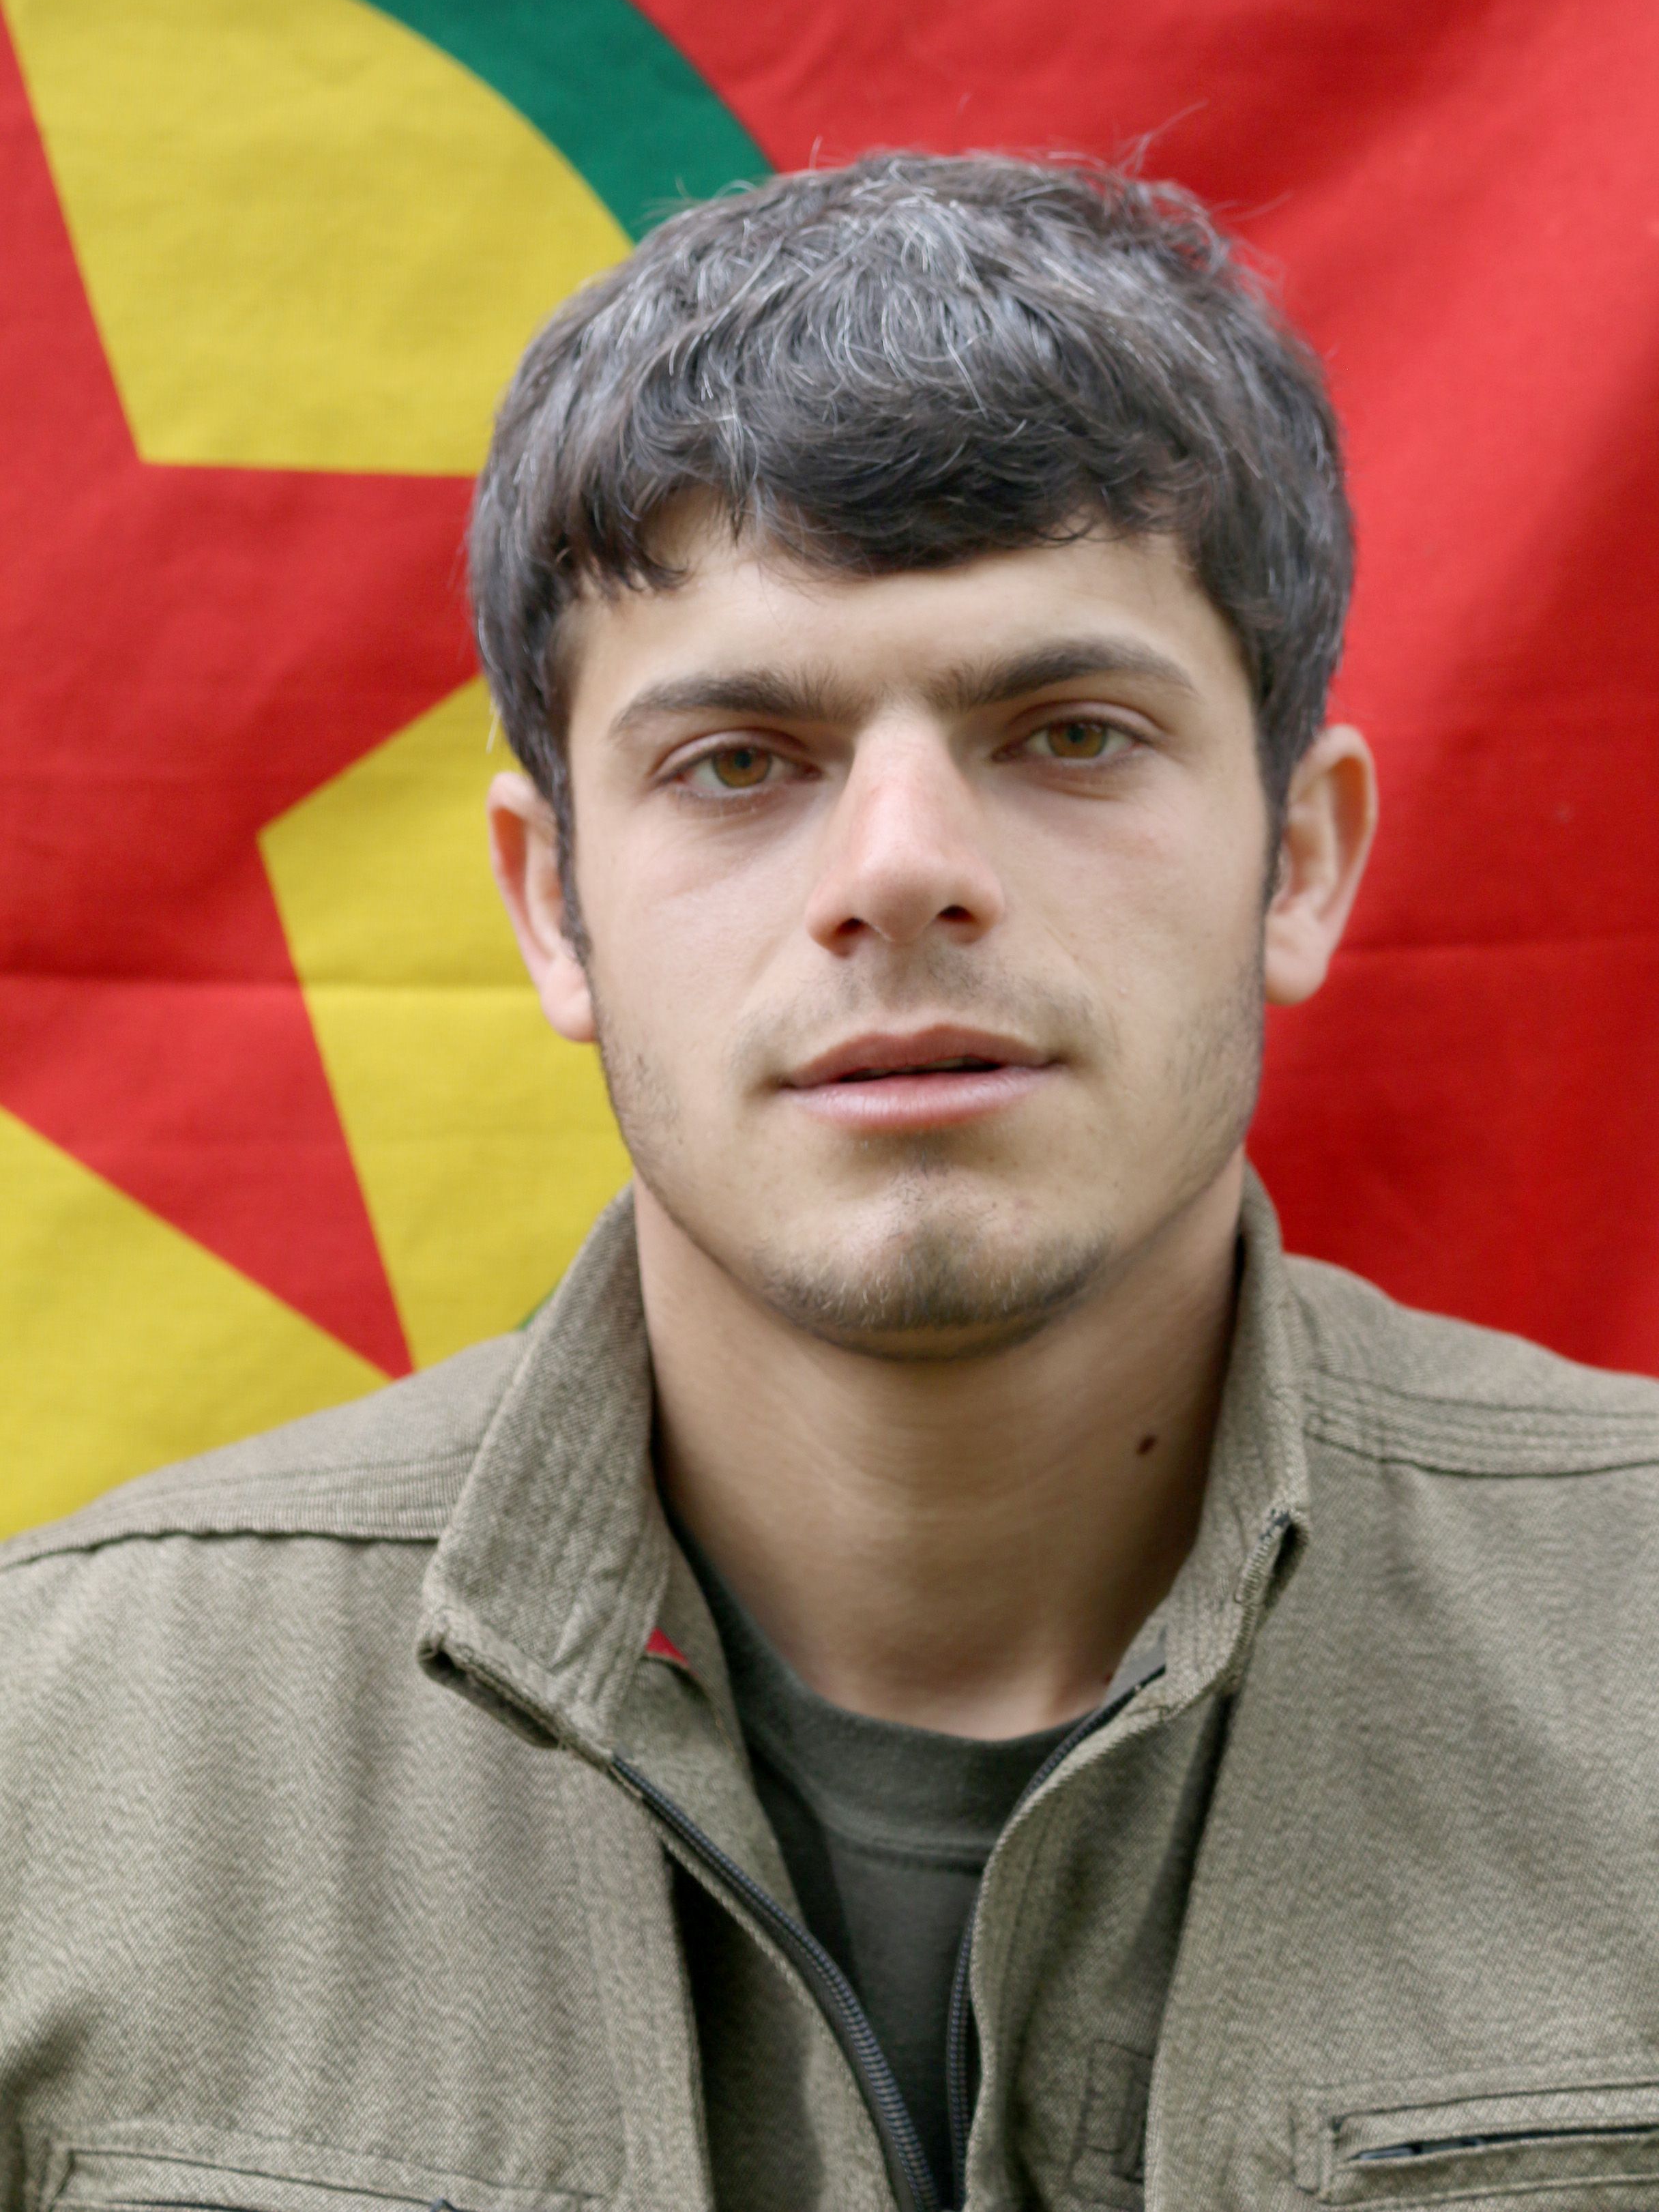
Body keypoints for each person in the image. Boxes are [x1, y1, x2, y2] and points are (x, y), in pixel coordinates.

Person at [4, 154, 1657, 2212]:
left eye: (1069, 733)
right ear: (553, 906)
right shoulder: (56, 1762)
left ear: (1298, 861)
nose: (899, 869)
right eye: (739, 761)